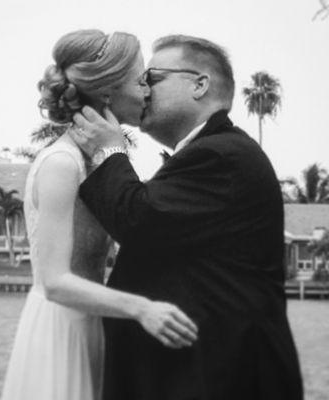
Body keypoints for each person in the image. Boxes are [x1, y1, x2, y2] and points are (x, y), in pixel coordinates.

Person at [71, 35, 304, 400]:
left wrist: (110, 150)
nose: (143, 89)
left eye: (153, 77)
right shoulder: (206, 153)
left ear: (199, 84)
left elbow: (138, 220)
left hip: (217, 377)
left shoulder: (222, 156)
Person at [1, 30, 198, 400]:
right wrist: (143, 309)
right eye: (141, 80)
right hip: (60, 332)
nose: (147, 91)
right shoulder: (62, 163)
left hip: (93, 325)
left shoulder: (102, 159)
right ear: (108, 91)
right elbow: (55, 281)